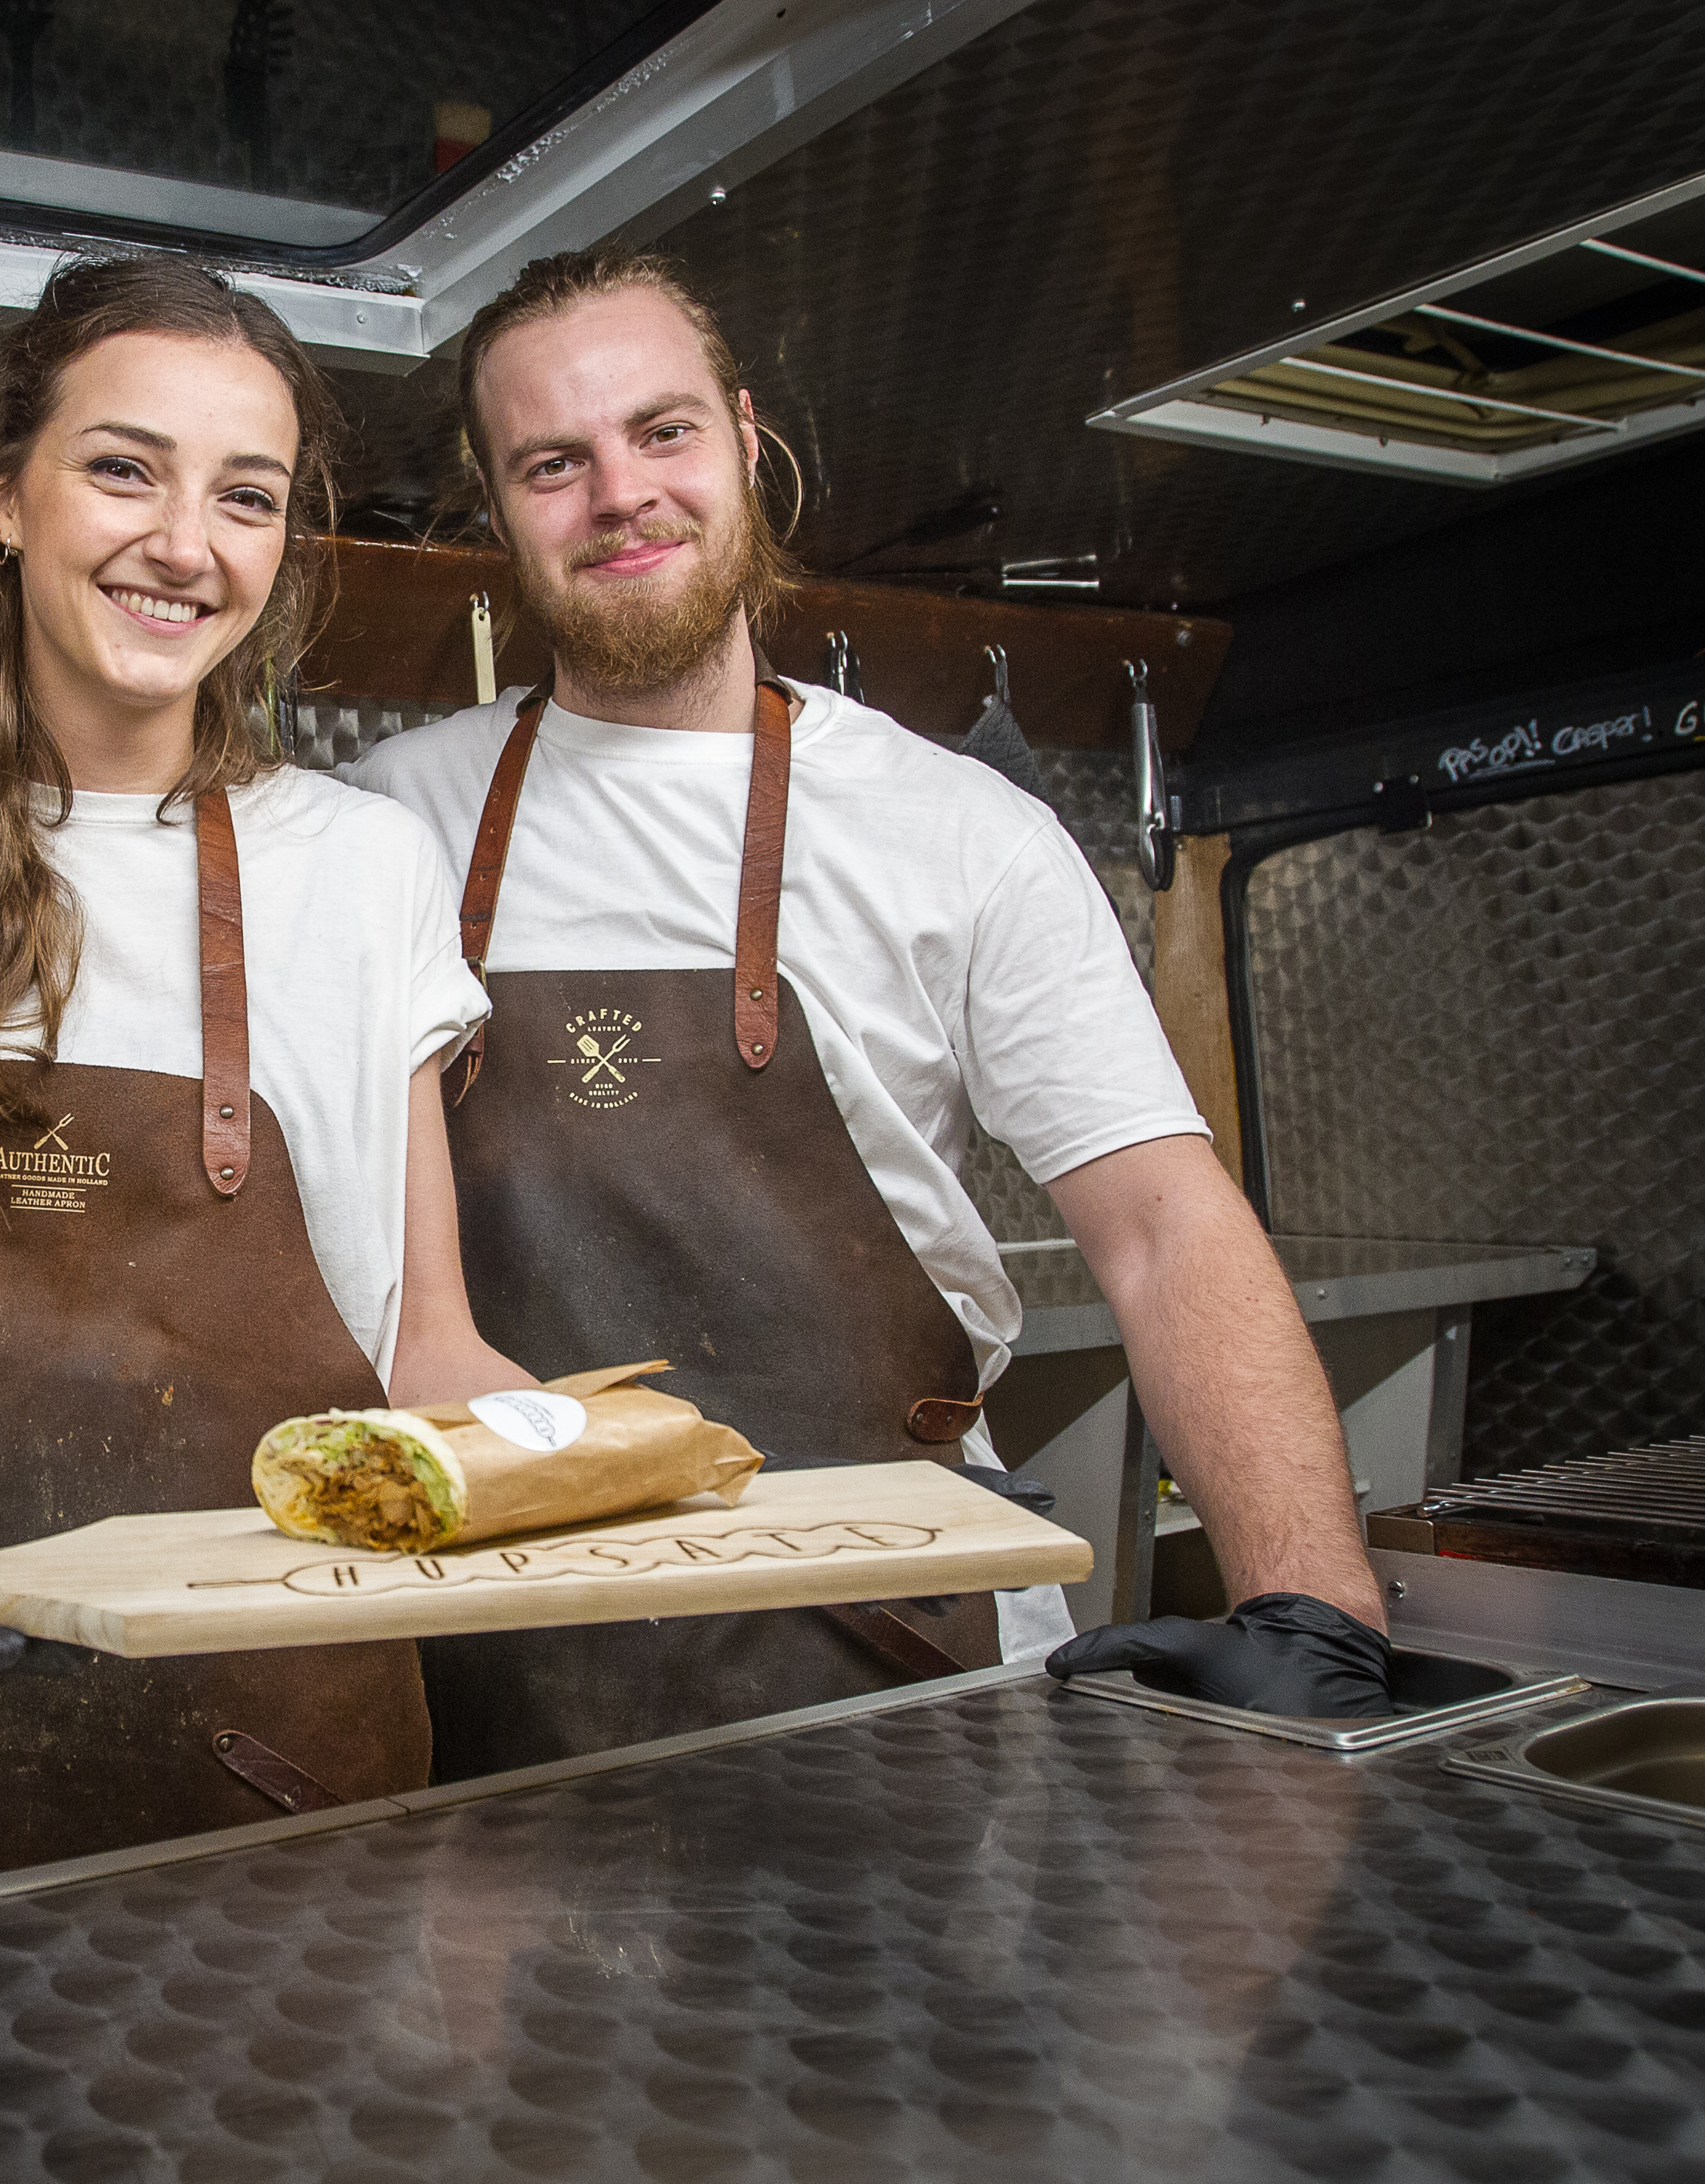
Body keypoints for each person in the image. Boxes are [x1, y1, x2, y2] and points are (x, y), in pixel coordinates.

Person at [345, 246, 1394, 1771]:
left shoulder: (958, 831)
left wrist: (1310, 1606)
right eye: (553, 464)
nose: (621, 495)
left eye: (662, 432)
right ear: (497, 510)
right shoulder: (387, 822)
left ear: (744, 440)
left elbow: (1164, 1226)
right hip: (501, 1656)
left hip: (900, 1660)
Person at [0, 255, 531, 1917]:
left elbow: (429, 1351)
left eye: (246, 496)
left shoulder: (366, 870)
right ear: (7, 499)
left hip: (287, 1779)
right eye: (126, 469)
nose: (185, 544)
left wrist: (689, 1483)